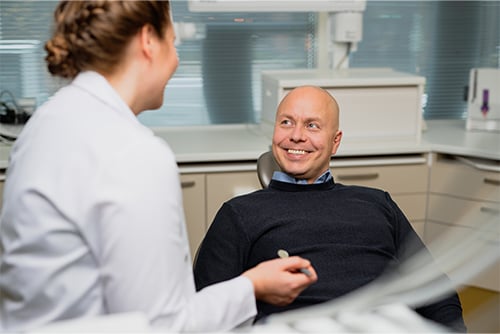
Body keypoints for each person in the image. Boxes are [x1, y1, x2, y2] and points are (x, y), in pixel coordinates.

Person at [0, 1, 317, 332]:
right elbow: (164, 326)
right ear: (148, 40)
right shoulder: (131, 152)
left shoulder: (45, 124)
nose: (177, 61)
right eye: (173, 42)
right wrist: (253, 287)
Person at [193, 85, 467, 331]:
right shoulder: (241, 213)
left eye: (312, 126)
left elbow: (434, 289)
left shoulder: (376, 203)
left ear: (335, 141)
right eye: (286, 122)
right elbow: (207, 308)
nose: (296, 136)